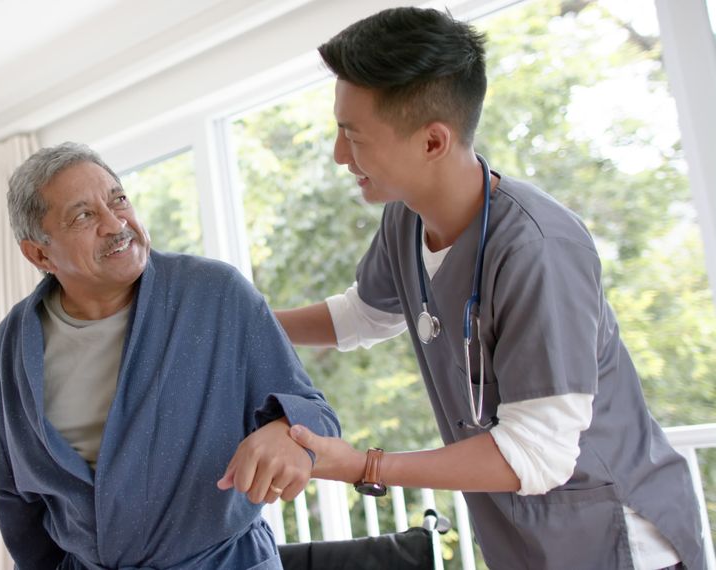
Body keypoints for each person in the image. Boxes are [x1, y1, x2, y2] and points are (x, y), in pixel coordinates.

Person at [265, 7, 704, 570]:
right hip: (521, 540)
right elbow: (363, 315)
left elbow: (537, 452)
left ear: (432, 142)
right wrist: (240, 322)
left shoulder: (538, 249)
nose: (338, 155)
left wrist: (365, 466)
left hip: (614, 540)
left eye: (353, 136)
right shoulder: (405, 220)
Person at [0, 142, 340, 570]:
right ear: (39, 253)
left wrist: (287, 429)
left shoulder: (217, 293)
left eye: (118, 199)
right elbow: (12, 491)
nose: (115, 222)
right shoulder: (15, 338)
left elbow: (316, 415)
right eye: (83, 216)